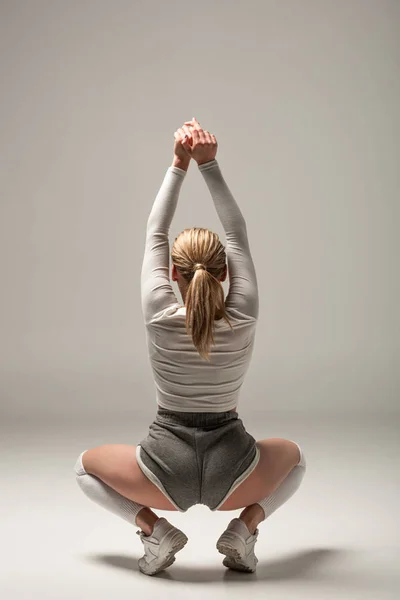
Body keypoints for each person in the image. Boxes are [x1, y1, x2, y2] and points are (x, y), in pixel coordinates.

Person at [74, 117, 306, 576]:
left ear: (173, 275)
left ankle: (154, 531)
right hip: (233, 467)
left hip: (164, 469)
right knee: (295, 459)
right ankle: (243, 530)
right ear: (224, 274)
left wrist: (178, 163)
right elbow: (236, 232)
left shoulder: (160, 313)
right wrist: (210, 164)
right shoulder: (242, 315)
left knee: (83, 470)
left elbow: (154, 231)